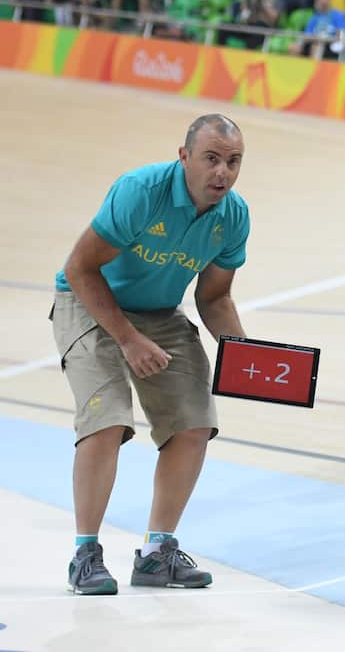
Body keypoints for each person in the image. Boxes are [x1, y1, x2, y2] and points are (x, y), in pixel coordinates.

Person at [55, 115, 250, 595]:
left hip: (160, 313)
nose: (221, 172)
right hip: (89, 303)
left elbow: (215, 298)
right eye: (210, 159)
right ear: (183, 157)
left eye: (232, 161)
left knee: (194, 422)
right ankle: (85, 555)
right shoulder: (141, 191)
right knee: (107, 417)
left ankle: (157, 553)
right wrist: (126, 338)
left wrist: (245, 355)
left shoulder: (233, 216)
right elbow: (79, 269)